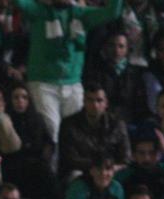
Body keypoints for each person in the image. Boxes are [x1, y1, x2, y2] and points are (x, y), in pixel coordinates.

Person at [15, 0, 124, 141]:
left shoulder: (82, 14)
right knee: (51, 131)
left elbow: (112, 12)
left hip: (73, 83)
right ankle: (51, 163)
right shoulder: (39, 10)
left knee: (75, 134)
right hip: (43, 83)